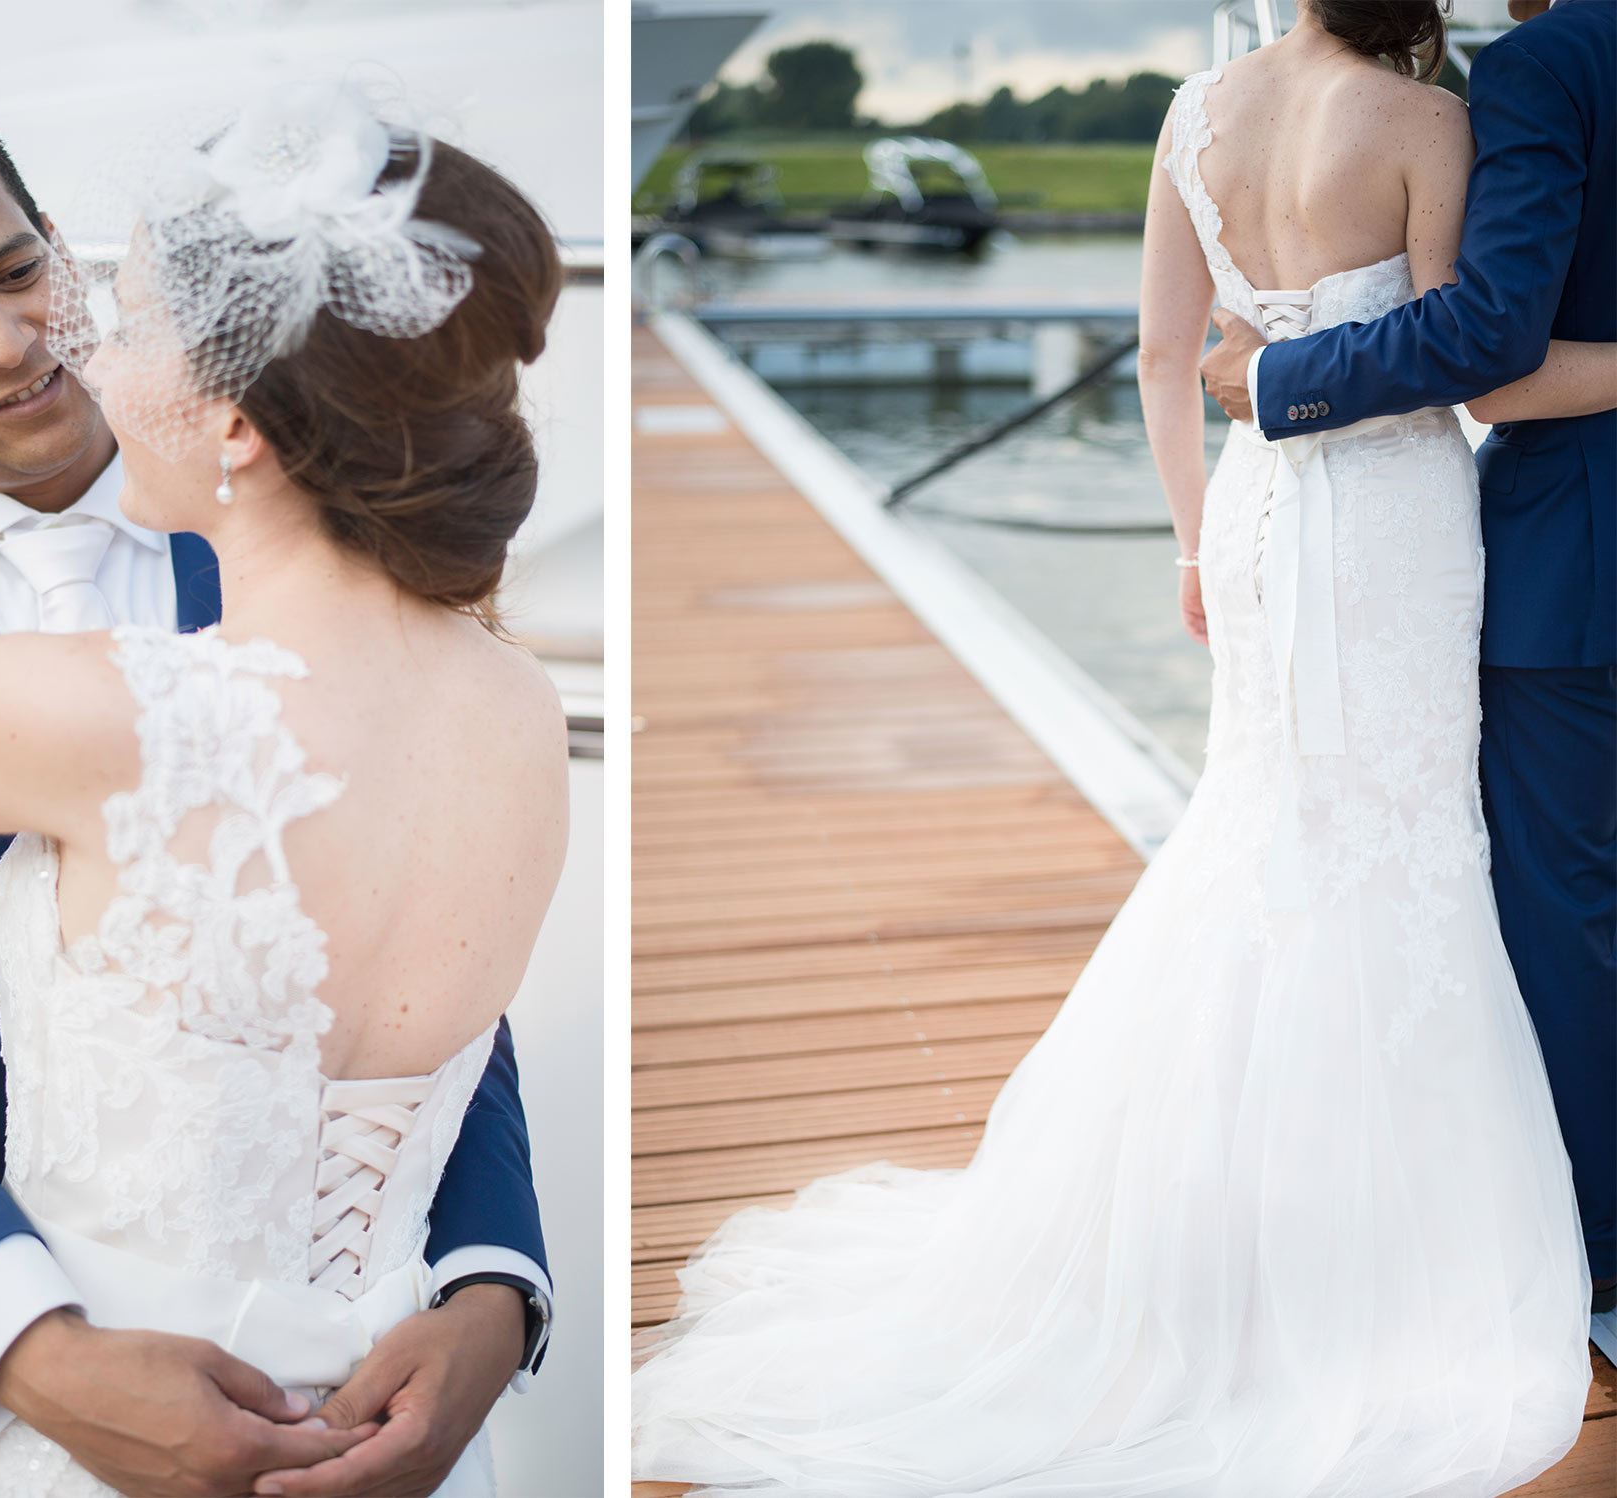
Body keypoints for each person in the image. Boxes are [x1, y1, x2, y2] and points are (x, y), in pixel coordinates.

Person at [631, 5, 1595, 1494]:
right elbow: (1475, 356)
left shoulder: (1195, 114)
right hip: (1398, 523)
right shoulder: (1428, 124)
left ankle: (1207, 1231)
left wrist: (1192, 549)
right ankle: (1395, 1237)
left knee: (1265, 828)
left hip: (1265, 510)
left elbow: (1161, 354)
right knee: (1406, 840)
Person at [0, 94, 566, 1497]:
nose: (36, 340)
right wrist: (25, 1348)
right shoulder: (509, 687)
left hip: (389, 1392)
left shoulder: (137, 678)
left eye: (32, 276)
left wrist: (491, 1286)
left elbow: (448, 1001)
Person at [1198, 0, 1615, 1318]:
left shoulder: (1552, 61)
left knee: (1572, 910)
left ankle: (1591, 1243)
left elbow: (1494, 345)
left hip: (1578, 569)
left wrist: (1280, 382)